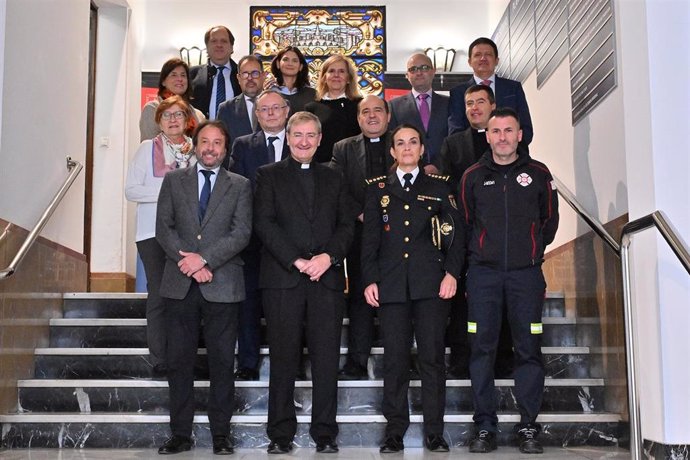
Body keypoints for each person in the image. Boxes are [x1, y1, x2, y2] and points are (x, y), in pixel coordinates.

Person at [254, 111, 354, 454]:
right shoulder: (267, 175)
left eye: (311, 135)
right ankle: (280, 435)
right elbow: (264, 223)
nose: (304, 141)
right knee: (283, 358)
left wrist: (328, 258)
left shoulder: (335, 176)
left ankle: (325, 434)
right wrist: (296, 260)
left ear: (320, 138)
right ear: (287, 136)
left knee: (326, 359)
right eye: (297, 134)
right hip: (283, 279)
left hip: (325, 279)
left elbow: (346, 226)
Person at [361, 124, 464, 453]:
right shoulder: (378, 189)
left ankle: (435, 432)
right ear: (392, 151)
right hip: (391, 286)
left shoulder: (438, 187)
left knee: (433, 360)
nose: (407, 148)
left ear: (422, 149)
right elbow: (370, 241)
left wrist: (451, 274)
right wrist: (369, 279)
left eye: (413, 143)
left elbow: (455, 236)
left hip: (431, 285)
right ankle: (395, 431)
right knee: (394, 360)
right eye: (400, 143)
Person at [460, 108, 558, 454]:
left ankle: (528, 426)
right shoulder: (472, 176)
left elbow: (549, 221)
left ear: (520, 135)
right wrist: (480, 258)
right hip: (484, 277)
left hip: (525, 277)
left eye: (508, 130)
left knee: (528, 350)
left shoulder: (538, 174)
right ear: (486, 136)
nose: (501, 137)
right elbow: (467, 224)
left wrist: (529, 252)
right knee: (481, 350)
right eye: (495, 130)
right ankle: (484, 426)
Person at [155, 120, 252, 455]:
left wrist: (204, 260)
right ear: (195, 145)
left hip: (222, 284)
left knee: (223, 363)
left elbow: (241, 233)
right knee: (179, 362)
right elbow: (163, 228)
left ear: (225, 150)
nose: (211, 148)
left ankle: (221, 436)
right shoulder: (173, 181)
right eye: (205, 142)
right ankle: (180, 434)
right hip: (179, 283)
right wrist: (189, 263)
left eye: (217, 143)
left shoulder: (239, 185)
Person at [442, 84, 519, 380]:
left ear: (492, 106)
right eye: (469, 103)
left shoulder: (508, 143)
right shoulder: (453, 143)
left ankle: (503, 358)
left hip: (501, 239)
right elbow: (447, 189)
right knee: (462, 302)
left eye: (480, 102)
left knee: (502, 301)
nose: (474, 108)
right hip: (463, 235)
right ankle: (461, 358)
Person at [126, 96, 197, 378]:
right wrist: (170, 194)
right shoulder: (146, 149)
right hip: (151, 232)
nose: (172, 120)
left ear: (187, 119)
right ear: (159, 121)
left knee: (185, 295)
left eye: (178, 115)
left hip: (187, 234)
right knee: (158, 293)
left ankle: (182, 354)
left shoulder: (194, 152)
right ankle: (159, 357)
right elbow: (132, 190)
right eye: (167, 115)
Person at [330, 95, 394, 379]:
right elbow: (336, 187)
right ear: (357, 119)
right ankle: (357, 361)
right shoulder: (343, 148)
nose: (371, 116)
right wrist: (358, 213)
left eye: (377, 110)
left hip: (400, 236)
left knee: (399, 298)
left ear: (388, 116)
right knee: (359, 296)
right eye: (365, 112)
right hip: (359, 234)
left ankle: (400, 359)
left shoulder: (404, 142)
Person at [229, 89, 290, 381]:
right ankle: (249, 363)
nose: (270, 114)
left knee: (289, 306)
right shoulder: (242, 146)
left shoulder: (300, 142)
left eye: (276, 108)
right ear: (257, 114)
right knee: (249, 303)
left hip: (292, 240)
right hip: (251, 240)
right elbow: (236, 190)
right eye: (264, 110)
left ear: (286, 111)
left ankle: (291, 362)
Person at [447, 37, 533, 145]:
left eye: (488, 54)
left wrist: (509, 151)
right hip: (471, 157)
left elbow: (525, 127)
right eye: (477, 55)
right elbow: (455, 131)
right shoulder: (458, 92)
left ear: (497, 60)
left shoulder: (513, 88)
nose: (483, 58)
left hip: (511, 155)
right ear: (469, 61)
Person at [389, 53, 449, 173]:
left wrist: (438, 165)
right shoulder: (394, 106)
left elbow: (454, 139)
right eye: (413, 69)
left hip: (445, 171)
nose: (419, 72)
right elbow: (393, 142)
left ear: (433, 71)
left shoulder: (449, 103)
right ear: (407, 75)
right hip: (409, 173)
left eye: (424, 68)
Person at [305, 54, 362, 163]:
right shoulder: (311, 108)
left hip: (353, 166)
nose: (336, 75)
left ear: (349, 78)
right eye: (331, 71)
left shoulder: (360, 105)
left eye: (341, 71)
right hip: (321, 168)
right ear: (324, 78)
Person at [139, 58, 206, 141]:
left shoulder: (198, 115)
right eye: (174, 75)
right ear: (163, 81)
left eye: (183, 75)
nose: (180, 79)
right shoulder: (152, 109)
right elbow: (150, 148)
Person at [217, 55, 266, 158]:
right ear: (238, 78)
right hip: (237, 171)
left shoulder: (279, 105)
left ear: (263, 76)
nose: (250, 78)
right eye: (245, 74)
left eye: (255, 73)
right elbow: (221, 147)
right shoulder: (226, 109)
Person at [189, 26, 241, 119]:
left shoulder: (243, 74)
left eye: (224, 41)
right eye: (214, 41)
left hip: (237, 133)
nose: (219, 45)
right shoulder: (191, 75)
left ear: (231, 47)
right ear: (207, 47)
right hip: (201, 131)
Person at [270, 46, 317, 115]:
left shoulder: (312, 94)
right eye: (285, 59)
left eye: (295, 61)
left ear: (300, 66)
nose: (290, 64)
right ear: (278, 64)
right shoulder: (269, 93)